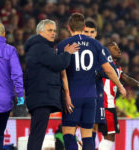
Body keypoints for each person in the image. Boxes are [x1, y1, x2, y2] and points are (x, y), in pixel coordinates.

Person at [57, 13, 126, 150]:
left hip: (73, 96)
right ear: (83, 27)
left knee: (69, 134)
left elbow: (62, 71)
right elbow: (108, 69)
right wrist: (120, 86)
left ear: (68, 27)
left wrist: (66, 94)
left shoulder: (63, 45)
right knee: (88, 135)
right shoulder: (95, 44)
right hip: (91, 98)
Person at [24, 19, 80, 150]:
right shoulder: (41, 47)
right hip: (41, 97)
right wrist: (67, 53)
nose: (53, 33)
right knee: (37, 134)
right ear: (40, 32)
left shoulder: (40, 47)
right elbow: (59, 64)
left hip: (39, 96)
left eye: (54, 30)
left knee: (37, 133)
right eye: (50, 30)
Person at [0, 22, 24, 150]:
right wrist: (20, 95)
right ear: (4, 34)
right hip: (4, 101)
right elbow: (17, 74)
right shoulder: (10, 50)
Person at [83, 19, 117, 149]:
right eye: (86, 32)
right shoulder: (74, 48)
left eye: (92, 32)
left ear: (96, 33)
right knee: (75, 126)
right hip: (77, 93)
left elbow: (111, 71)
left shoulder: (102, 50)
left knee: (94, 125)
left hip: (96, 94)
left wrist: (98, 72)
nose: (89, 35)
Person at [99, 42, 139, 150]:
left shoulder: (117, 68)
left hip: (108, 105)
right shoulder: (103, 65)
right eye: (114, 47)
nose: (118, 49)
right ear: (106, 51)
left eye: (118, 47)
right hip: (105, 104)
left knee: (108, 136)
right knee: (109, 136)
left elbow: (126, 79)